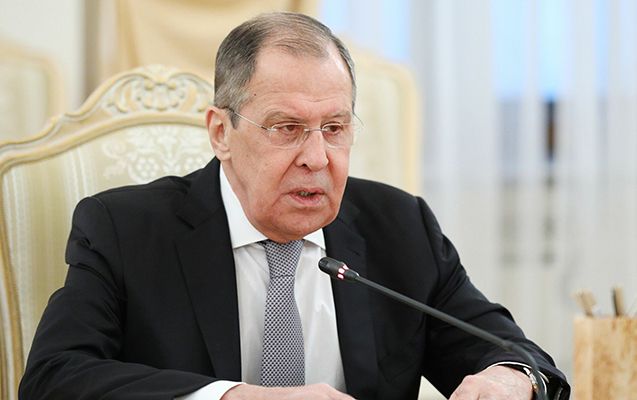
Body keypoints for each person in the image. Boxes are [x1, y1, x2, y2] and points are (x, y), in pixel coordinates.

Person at [19, 11, 570, 400]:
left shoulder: (401, 228)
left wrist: (509, 377)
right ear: (221, 132)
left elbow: (514, 353)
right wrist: (235, 397)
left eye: (335, 128)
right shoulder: (124, 229)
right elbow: (54, 378)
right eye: (287, 128)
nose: (317, 157)